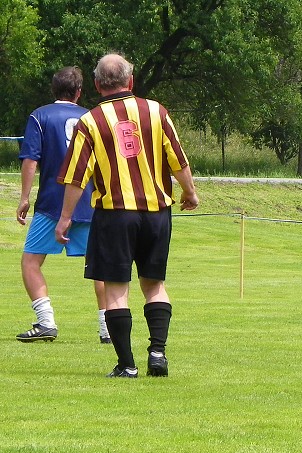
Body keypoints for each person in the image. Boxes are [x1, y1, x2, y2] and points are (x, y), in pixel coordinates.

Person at [55, 53, 199, 377]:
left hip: (115, 213)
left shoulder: (90, 122)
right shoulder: (156, 111)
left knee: (117, 288)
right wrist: (189, 192)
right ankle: (158, 353)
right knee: (155, 284)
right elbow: (177, 158)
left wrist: (64, 218)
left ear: (96, 85)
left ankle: (127, 364)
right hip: (156, 212)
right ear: (130, 81)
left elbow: (76, 177)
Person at [15, 66, 109, 344]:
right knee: (100, 266)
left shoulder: (39, 116)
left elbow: (31, 160)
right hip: (89, 203)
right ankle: (107, 328)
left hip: (52, 205)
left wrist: (24, 198)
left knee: (31, 262)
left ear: (53, 90)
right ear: (79, 92)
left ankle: (46, 322)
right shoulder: (93, 117)